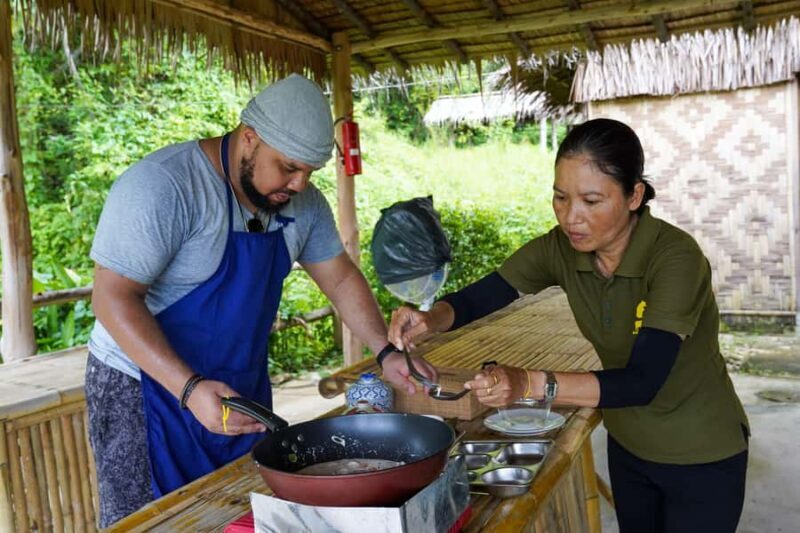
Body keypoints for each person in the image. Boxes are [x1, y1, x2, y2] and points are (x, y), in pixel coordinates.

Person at [86, 73, 434, 527]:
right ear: (249, 139)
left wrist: (385, 352)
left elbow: (342, 280)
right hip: (142, 386)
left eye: (310, 172)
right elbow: (112, 299)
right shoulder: (164, 186)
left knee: (237, 511)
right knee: (153, 521)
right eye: (288, 167)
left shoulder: (303, 204)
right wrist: (189, 389)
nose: (300, 185)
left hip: (236, 383)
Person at [388, 118, 749, 533]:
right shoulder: (561, 249)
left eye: (591, 201)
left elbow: (642, 381)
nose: (571, 217)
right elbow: (485, 295)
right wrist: (430, 318)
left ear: (634, 196)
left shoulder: (674, 258)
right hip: (630, 447)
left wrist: (527, 382)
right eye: (560, 198)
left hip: (701, 454)